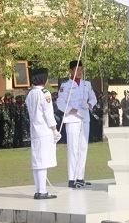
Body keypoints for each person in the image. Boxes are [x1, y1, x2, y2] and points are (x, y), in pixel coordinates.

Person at [57, 60, 97, 189]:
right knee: (73, 148)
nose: (80, 72)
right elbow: (61, 104)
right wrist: (73, 110)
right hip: (73, 119)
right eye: (77, 69)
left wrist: (90, 104)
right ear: (71, 70)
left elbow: (93, 98)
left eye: (81, 69)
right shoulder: (66, 85)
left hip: (84, 118)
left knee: (83, 148)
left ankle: (80, 177)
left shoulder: (87, 84)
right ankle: (72, 178)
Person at [25, 68, 60, 200]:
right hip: (44, 130)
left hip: (35, 130)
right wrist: (55, 130)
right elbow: (48, 114)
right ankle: (42, 191)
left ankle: (40, 189)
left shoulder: (30, 94)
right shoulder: (44, 93)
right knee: (43, 161)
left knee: (37, 161)